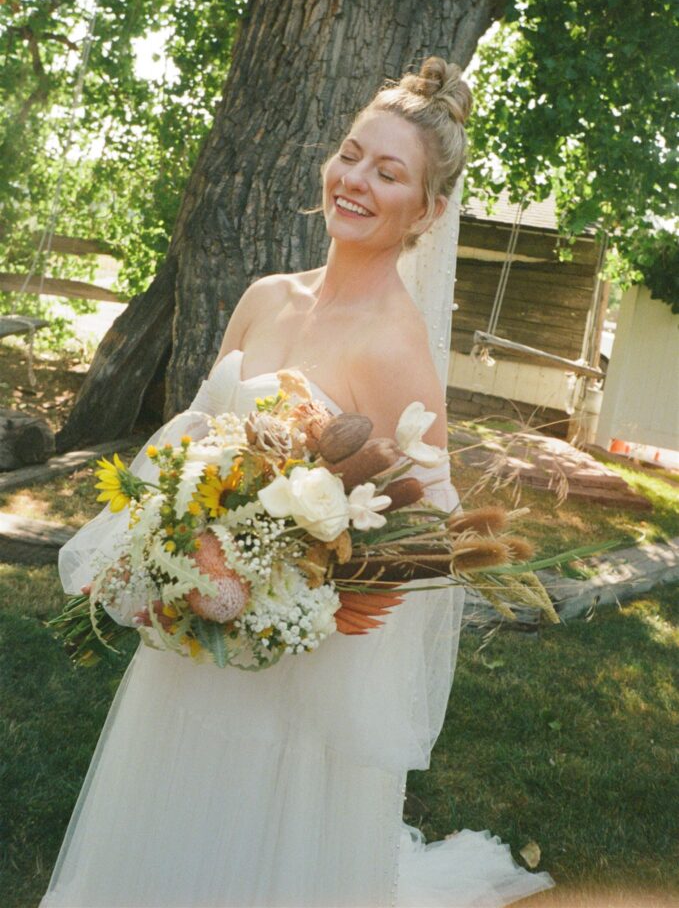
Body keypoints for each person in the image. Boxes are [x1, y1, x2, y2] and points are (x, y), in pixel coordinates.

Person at [41, 57, 555, 907]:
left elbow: (424, 539)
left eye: (388, 173)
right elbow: (195, 437)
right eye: (351, 154)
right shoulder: (264, 297)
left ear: (427, 211)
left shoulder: (394, 350)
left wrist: (286, 583)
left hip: (288, 661)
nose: (355, 180)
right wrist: (162, 542)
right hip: (192, 620)